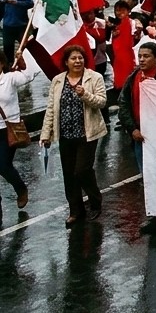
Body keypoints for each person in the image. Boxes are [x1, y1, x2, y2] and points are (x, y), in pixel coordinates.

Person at [40, 45, 108, 226]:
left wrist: (85, 95)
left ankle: (95, 200)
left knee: (82, 170)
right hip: (66, 135)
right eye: (73, 59)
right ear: (66, 62)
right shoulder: (57, 81)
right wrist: (46, 134)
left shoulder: (94, 78)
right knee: (69, 175)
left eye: (80, 58)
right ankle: (76, 211)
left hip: (87, 133)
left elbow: (101, 102)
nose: (77, 61)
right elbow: (51, 109)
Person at [118, 42, 156, 233]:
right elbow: (124, 104)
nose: (142, 60)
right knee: (148, 178)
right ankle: (154, 216)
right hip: (140, 137)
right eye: (140, 56)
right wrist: (132, 129)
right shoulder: (133, 77)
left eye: (146, 56)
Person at [0, 51, 33, 210]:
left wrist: (21, 60)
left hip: (8, 130)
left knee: (3, 165)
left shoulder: (10, 79)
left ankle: (20, 188)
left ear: (1, 64)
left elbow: (28, 76)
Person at [2, 0, 33, 64]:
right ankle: (9, 66)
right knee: (7, 46)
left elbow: (30, 3)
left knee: (24, 47)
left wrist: (17, 3)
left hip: (21, 24)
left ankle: (26, 65)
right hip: (8, 23)